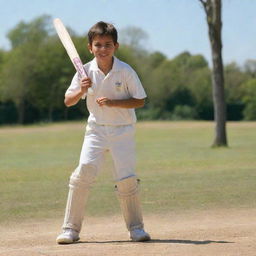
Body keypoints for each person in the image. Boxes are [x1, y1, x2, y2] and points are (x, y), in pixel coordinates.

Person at [56, 21, 150, 244]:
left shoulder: (125, 71)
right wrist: (82, 89)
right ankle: (70, 229)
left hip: (123, 131)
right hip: (96, 130)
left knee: (126, 179)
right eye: (98, 45)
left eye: (107, 44)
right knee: (83, 173)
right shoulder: (85, 71)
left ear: (115, 46)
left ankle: (136, 229)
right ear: (90, 48)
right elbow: (68, 101)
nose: (103, 49)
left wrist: (113, 103)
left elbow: (140, 100)